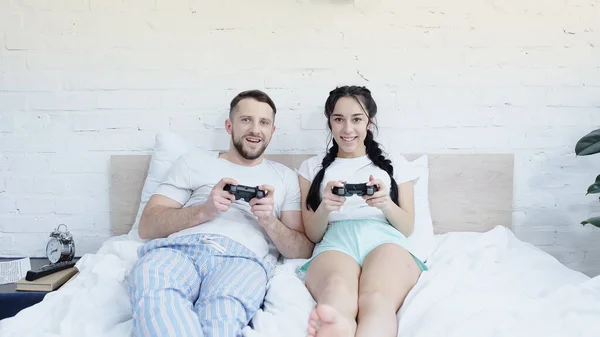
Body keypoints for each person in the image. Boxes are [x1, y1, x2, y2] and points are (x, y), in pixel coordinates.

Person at [127, 89, 314, 337]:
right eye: (246, 120)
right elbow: (147, 225)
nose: (255, 129)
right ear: (229, 126)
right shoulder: (192, 162)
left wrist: (269, 221)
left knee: (223, 319)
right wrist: (204, 211)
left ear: (272, 131)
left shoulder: (286, 177)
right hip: (177, 250)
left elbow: (303, 249)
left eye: (264, 122)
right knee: (157, 299)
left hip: (243, 260)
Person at [296, 85, 428, 337]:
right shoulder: (311, 168)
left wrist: (385, 202)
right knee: (336, 292)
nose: (347, 129)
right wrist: (325, 206)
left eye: (356, 119)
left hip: (386, 242)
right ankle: (338, 327)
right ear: (330, 122)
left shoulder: (394, 163)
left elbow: (408, 226)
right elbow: (313, 234)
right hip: (335, 243)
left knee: (376, 298)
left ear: (369, 121)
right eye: (338, 119)